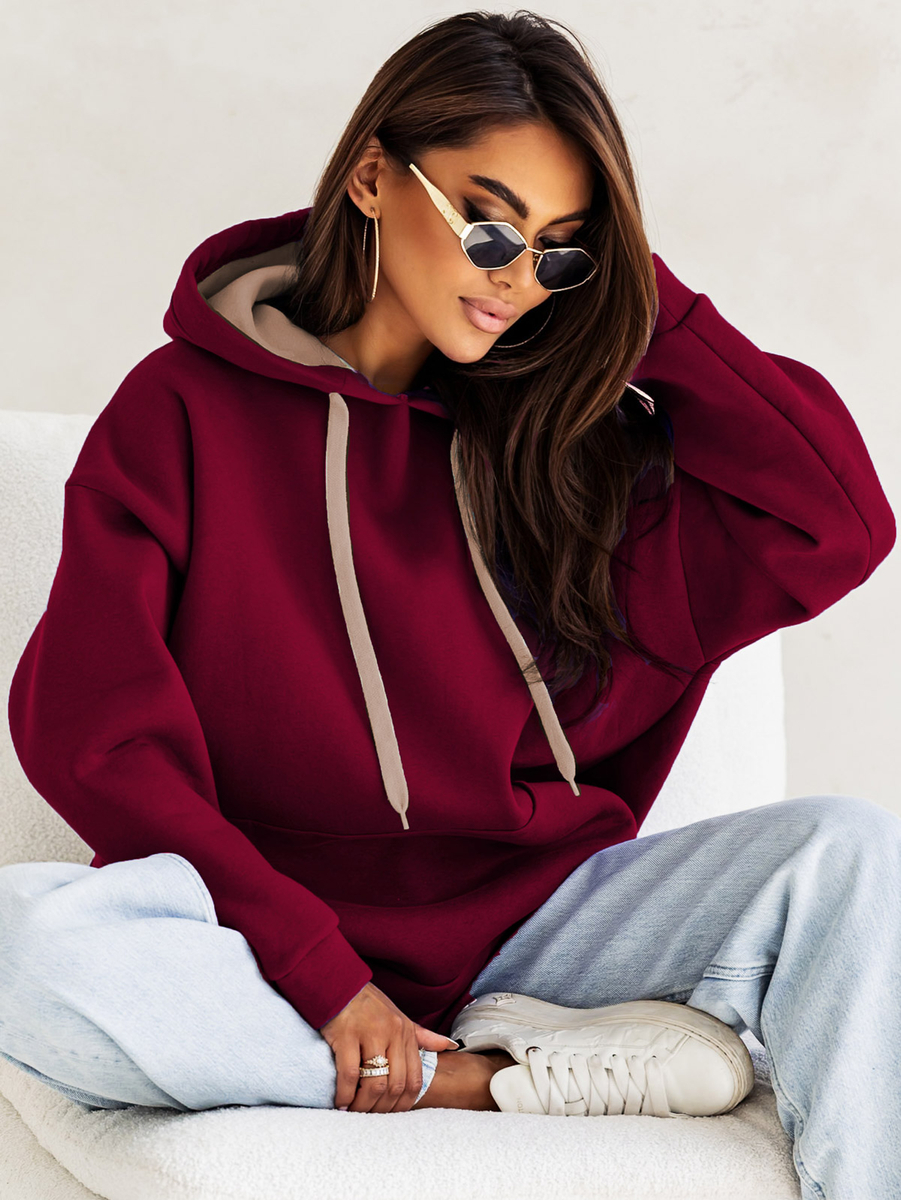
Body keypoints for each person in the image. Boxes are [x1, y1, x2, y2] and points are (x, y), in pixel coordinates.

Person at [0, 9, 897, 1197]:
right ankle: (470, 1079)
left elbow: (837, 524)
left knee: (849, 853)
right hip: (258, 943)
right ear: (372, 177)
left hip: (541, 932)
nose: (516, 280)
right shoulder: (178, 414)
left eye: (560, 251)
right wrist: (322, 975)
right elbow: (97, 738)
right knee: (20, 947)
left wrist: (641, 302)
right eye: (489, 227)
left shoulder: (564, 445)